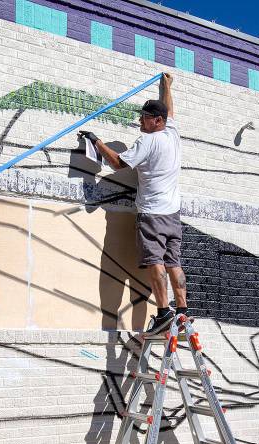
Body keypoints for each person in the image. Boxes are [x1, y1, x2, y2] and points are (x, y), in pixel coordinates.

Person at [79, 73, 187, 334]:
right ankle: (183, 313)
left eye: (145, 117)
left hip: (153, 214)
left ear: (157, 121)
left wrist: (96, 141)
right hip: (173, 214)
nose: (140, 120)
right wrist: (167, 86)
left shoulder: (147, 141)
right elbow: (170, 109)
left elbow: (118, 163)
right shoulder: (172, 133)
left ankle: (164, 312)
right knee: (173, 262)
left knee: (155, 261)